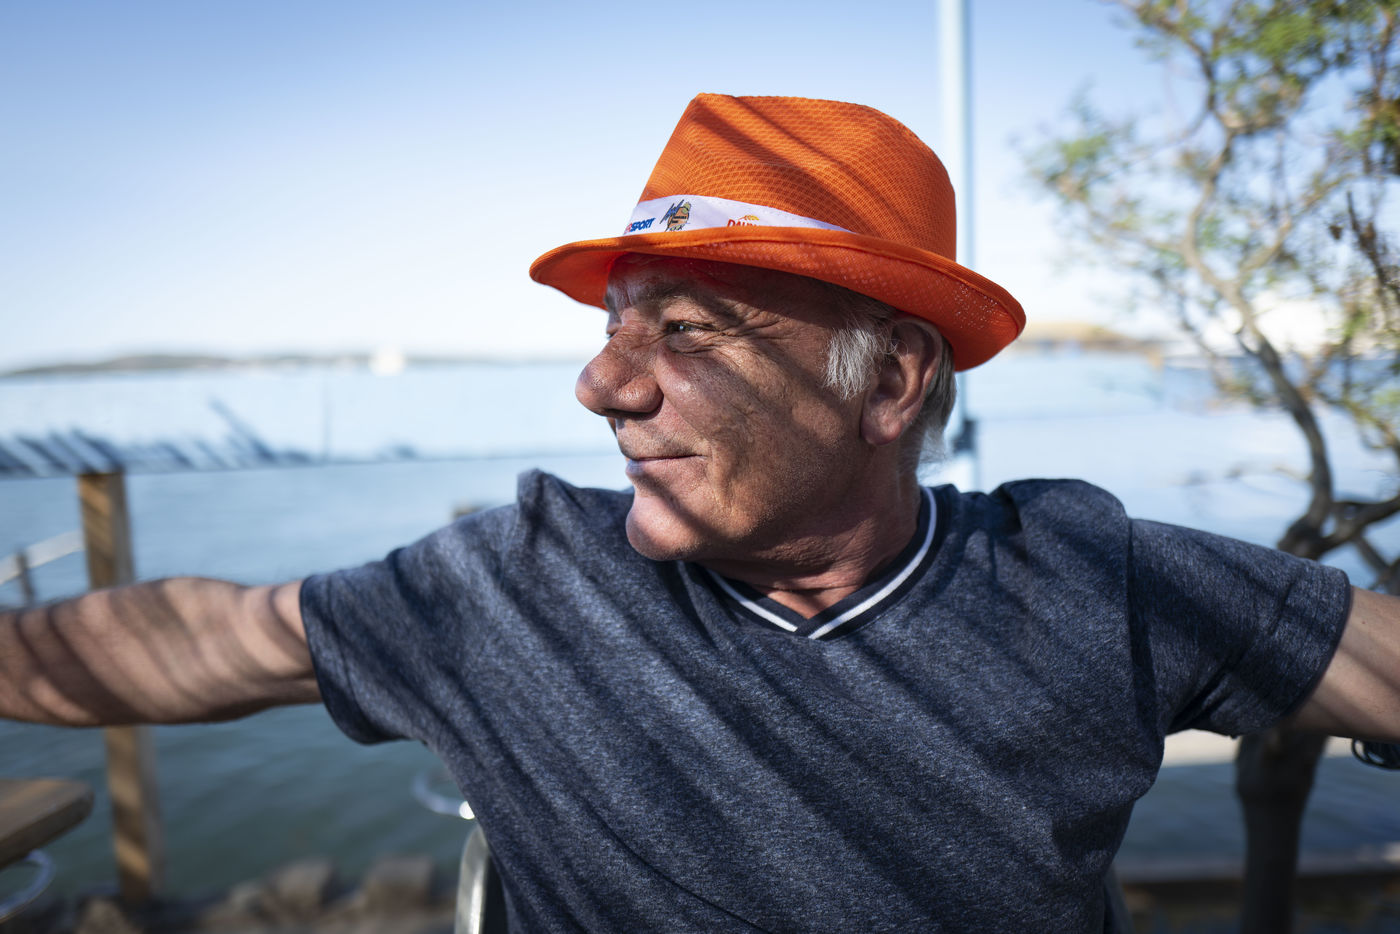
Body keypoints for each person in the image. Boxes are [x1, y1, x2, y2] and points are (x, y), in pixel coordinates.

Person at [2, 93, 1398, 932]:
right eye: (615, 327)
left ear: (888, 382)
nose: (602, 384)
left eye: (685, 331)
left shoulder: (1090, 579)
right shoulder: (517, 585)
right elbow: (217, 635)